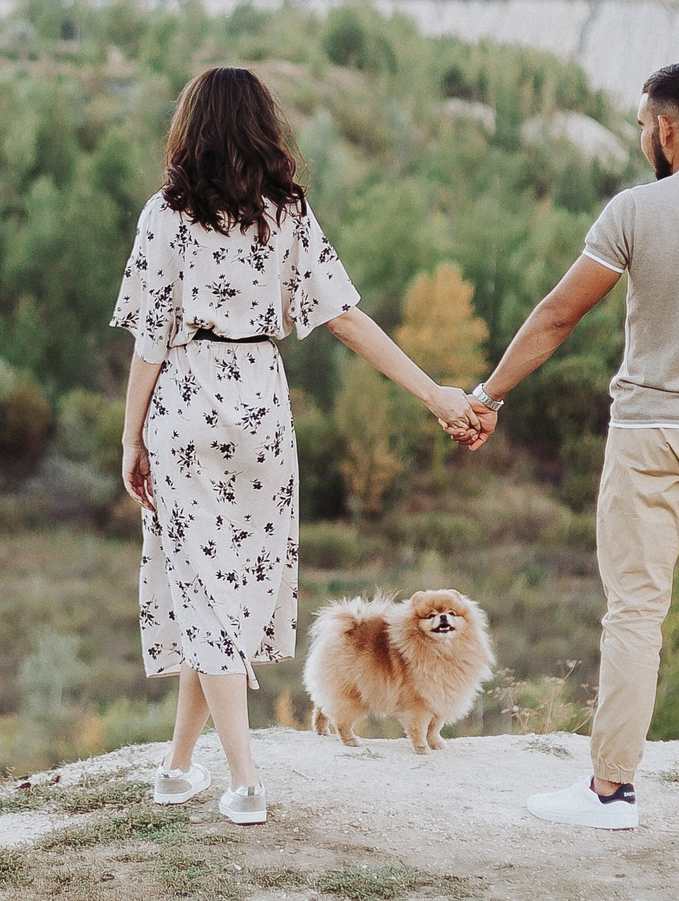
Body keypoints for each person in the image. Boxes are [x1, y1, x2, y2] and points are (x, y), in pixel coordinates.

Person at [113, 67, 480, 826]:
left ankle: (245, 779)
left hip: (187, 402)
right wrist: (436, 392)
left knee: (205, 592)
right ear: (262, 128)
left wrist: (130, 437)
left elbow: (152, 337)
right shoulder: (287, 214)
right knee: (212, 592)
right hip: (262, 406)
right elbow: (345, 316)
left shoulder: (165, 215)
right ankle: (178, 765)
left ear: (190, 130)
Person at [462, 62, 679, 833]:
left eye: (639, 123)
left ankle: (612, 792)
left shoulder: (634, 210)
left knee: (634, 613)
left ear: (663, 127)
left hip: (648, 434)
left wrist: (487, 396)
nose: (638, 136)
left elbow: (558, 316)